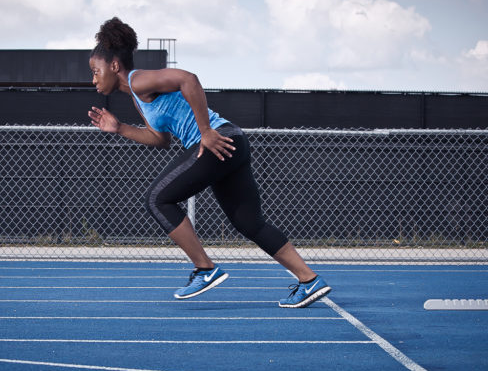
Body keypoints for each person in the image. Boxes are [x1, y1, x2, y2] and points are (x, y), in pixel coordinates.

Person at [87, 17, 330, 308]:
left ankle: (205, 268)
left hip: (218, 140)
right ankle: (309, 279)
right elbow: (160, 139)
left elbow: (188, 79)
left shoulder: (137, 80)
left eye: (95, 71)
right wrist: (120, 129)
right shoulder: (138, 98)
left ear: (114, 66)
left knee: (157, 199)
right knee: (249, 222)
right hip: (231, 143)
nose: (93, 79)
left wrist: (204, 131)